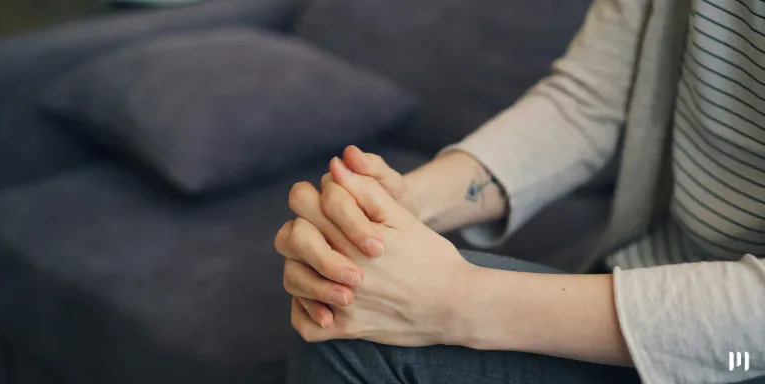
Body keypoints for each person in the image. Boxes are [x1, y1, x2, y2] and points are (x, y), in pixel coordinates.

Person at [274, 0, 765, 382]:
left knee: (364, 342)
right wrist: (402, 203)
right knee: (354, 296)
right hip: (653, 272)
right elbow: (585, 104)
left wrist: (459, 301)